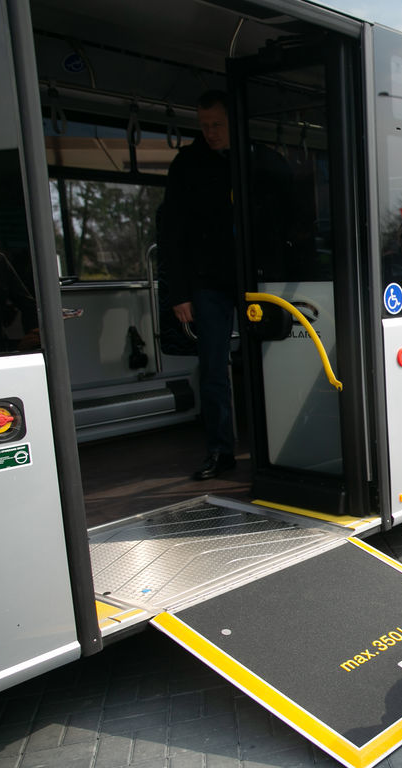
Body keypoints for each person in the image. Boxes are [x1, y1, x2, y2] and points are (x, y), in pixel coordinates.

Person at [160, 90, 239, 481]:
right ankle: (221, 451)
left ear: (232, 121)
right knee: (212, 368)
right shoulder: (187, 165)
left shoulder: (253, 161)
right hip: (207, 281)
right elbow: (171, 232)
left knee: (269, 363)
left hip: (254, 278)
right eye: (204, 125)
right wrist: (179, 293)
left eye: (217, 125)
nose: (210, 132)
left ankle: (275, 447)